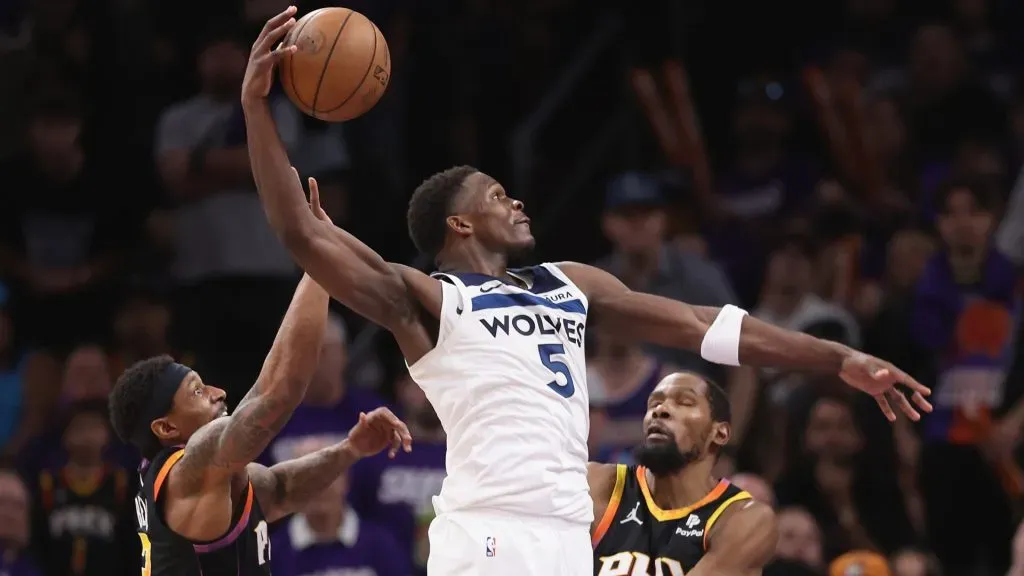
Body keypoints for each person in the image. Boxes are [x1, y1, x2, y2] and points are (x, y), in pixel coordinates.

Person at [241, 8, 931, 575]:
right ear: (459, 223)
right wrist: (255, 106)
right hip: (487, 531)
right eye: (496, 195)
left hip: (570, 534)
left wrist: (838, 358)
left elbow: (702, 324)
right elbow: (298, 230)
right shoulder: (427, 300)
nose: (516, 202)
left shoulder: (568, 283)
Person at [107, 272, 413, 576]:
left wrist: (350, 450)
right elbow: (275, 394)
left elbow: (281, 491)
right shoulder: (189, 470)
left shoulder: (203, 481)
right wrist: (318, 268)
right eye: (197, 391)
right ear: (166, 428)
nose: (219, 393)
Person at [590, 372, 773, 575]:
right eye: (654, 404)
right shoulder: (599, 484)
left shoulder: (741, 517)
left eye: (685, 402)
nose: (660, 410)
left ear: (720, 433)